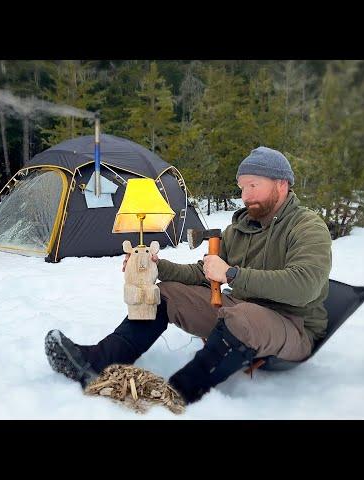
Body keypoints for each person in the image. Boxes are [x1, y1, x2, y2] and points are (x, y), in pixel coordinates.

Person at [45, 146, 332, 405]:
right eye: (242, 187)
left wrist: (232, 273)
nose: (245, 196)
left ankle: (178, 394)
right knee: (167, 292)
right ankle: (98, 362)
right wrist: (159, 266)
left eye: (253, 186)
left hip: (291, 324)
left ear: (281, 184)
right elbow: (203, 273)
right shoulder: (240, 229)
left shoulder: (307, 227)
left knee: (242, 316)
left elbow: (304, 286)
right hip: (242, 311)